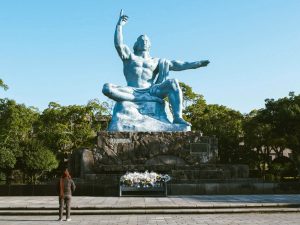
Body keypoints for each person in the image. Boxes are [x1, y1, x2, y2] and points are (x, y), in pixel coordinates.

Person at [102, 10, 210, 126]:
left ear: (149, 45)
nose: (144, 42)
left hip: (152, 91)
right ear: (136, 44)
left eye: (146, 41)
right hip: (131, 90)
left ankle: (178, 117)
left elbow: (179, 65)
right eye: (141, 40)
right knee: (107, 88)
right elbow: (119, 45)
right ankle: (137, 98)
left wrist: (197, 64)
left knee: (173, 82)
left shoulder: (157, 61)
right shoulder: (130, 57)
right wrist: (119, 26)